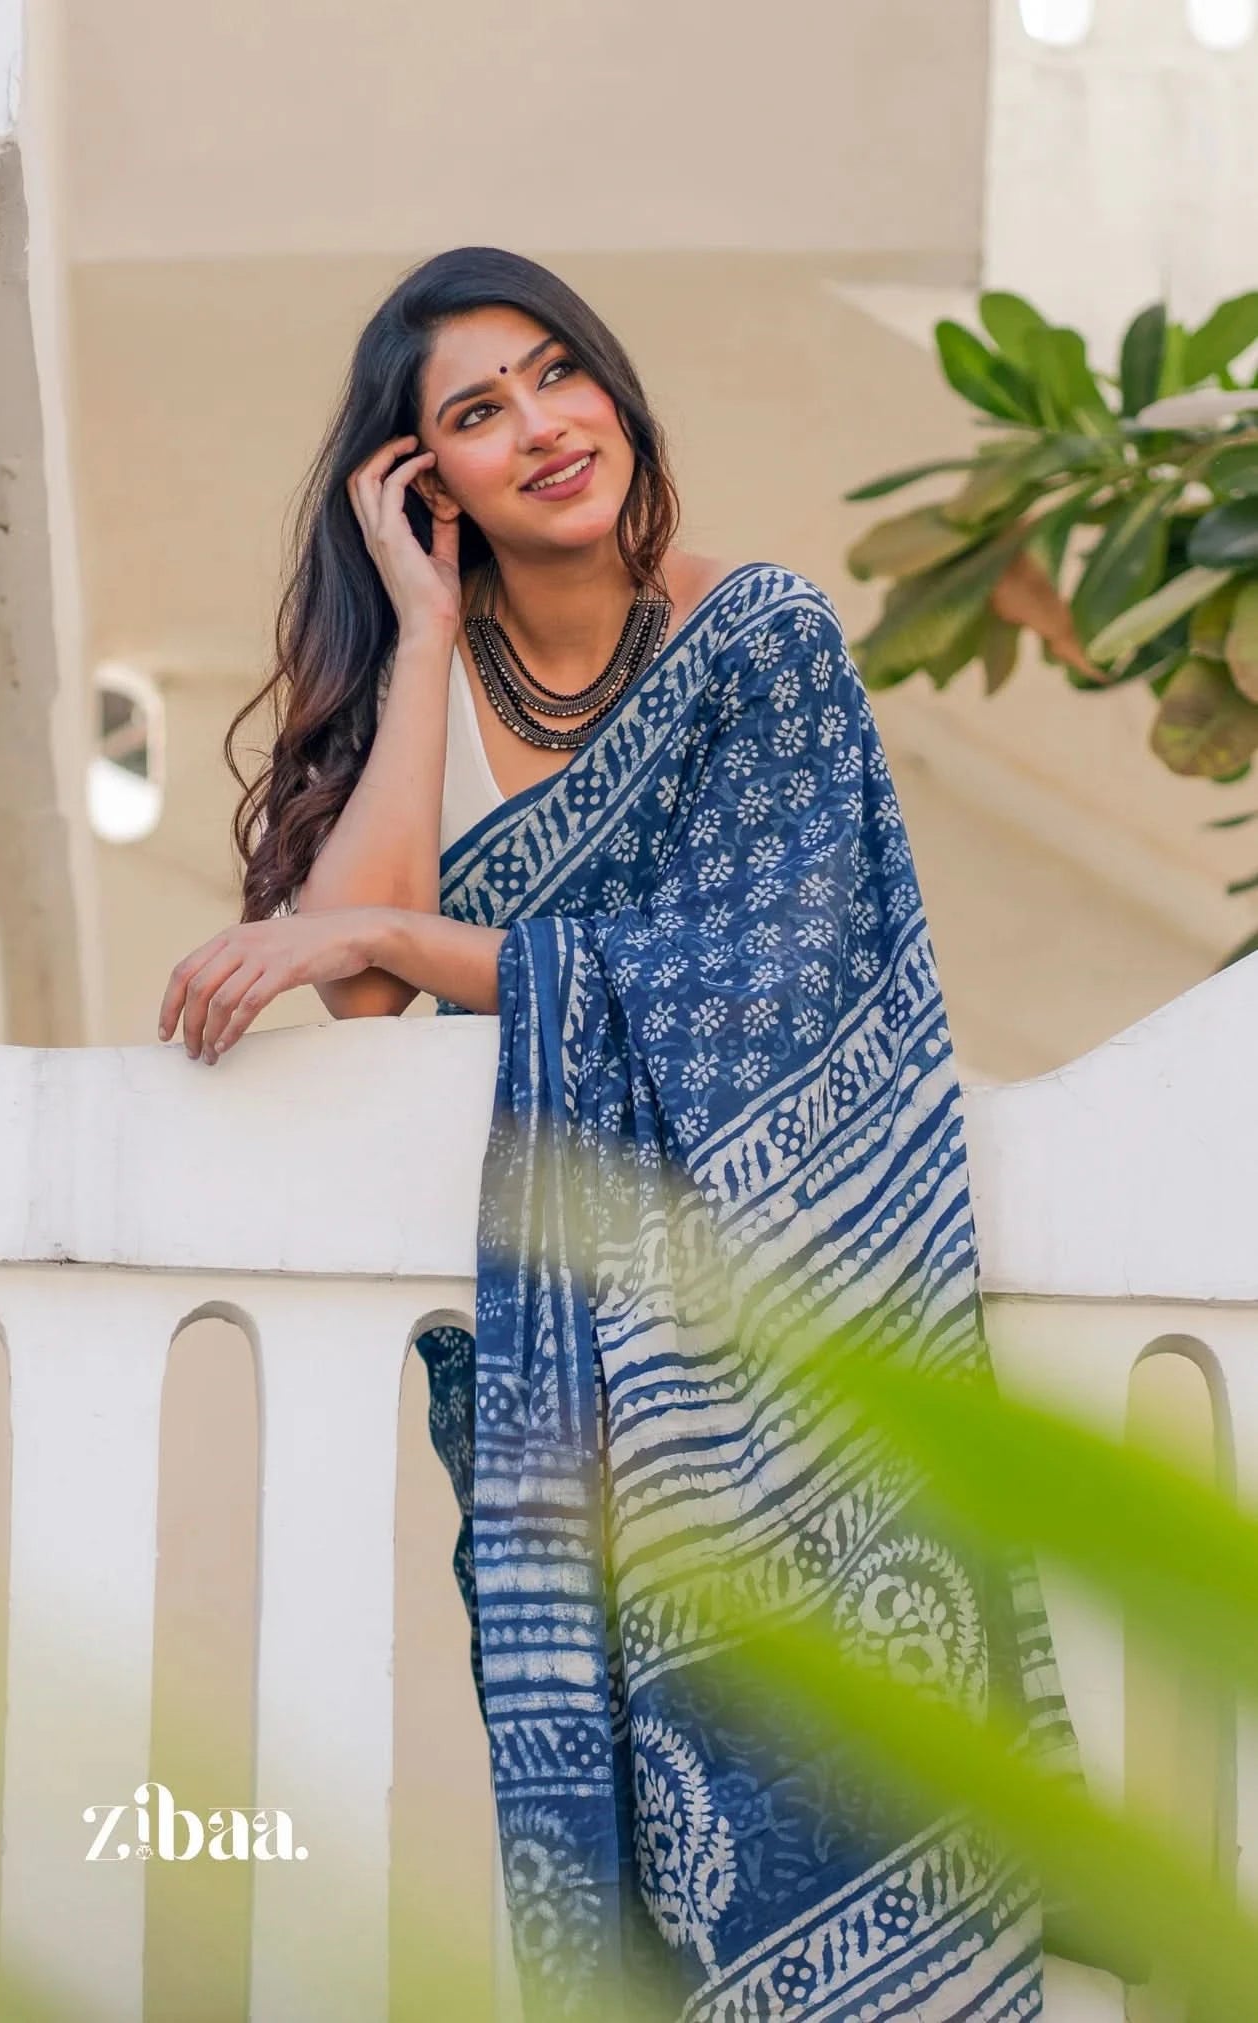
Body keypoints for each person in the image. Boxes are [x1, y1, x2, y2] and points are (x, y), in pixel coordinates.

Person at [157, 247, 1077, 2021]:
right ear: (427, 486)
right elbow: (355, 1007)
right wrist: (423, 634)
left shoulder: (764, 639)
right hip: (589, 1372)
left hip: (790, 1339)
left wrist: (399, 943)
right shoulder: (439, 672)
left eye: (557, 373)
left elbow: (776, 984)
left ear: (618, 390)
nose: (541, 428)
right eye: (475, 417)